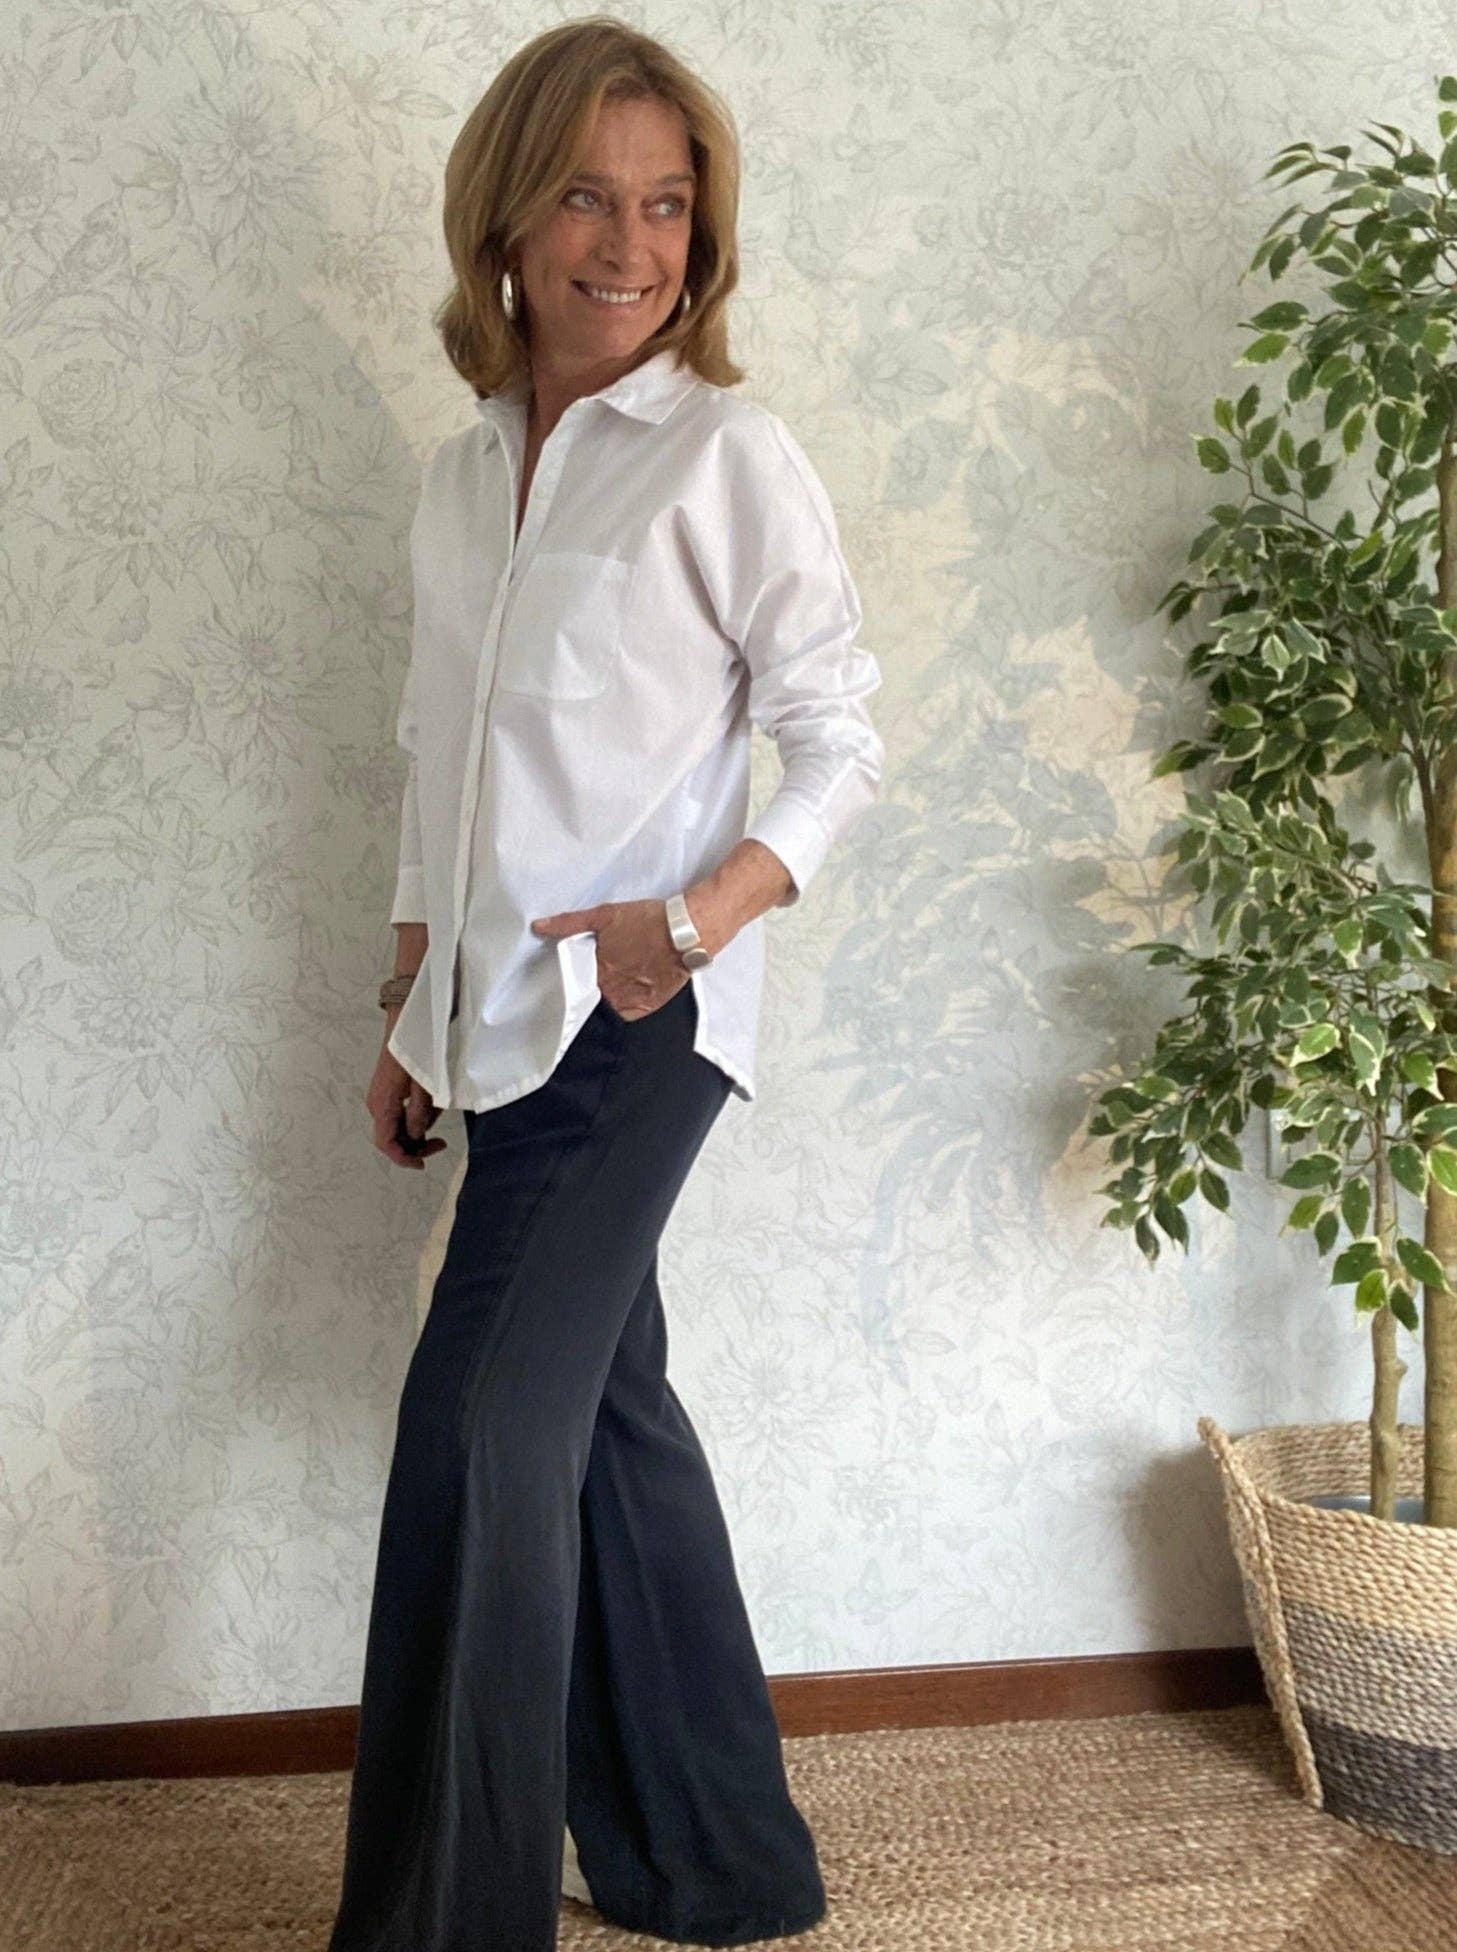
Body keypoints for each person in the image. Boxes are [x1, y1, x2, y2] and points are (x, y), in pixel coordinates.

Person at [329, 18, 885, 1952]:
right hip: (485, 1027)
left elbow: (839, 743)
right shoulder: (457, 476)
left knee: (481, 1435)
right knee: (602, 1422)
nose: (628, 243)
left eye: (665, 204)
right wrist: (408, 999)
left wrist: (695, 919)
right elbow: (440, 759)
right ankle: (716, 1862)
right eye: (585, 195)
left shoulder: (726, 456)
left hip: (640, 1026)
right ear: (505, 218)